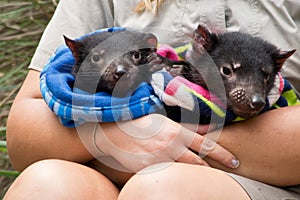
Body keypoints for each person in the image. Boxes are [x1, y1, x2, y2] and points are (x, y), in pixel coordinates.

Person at [3, 0, 300, 199]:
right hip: (109, 171)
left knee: (161, 189)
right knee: (46, 184)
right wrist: (110, 139)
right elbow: (24, 137)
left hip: (270, 178)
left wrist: (147, 152)